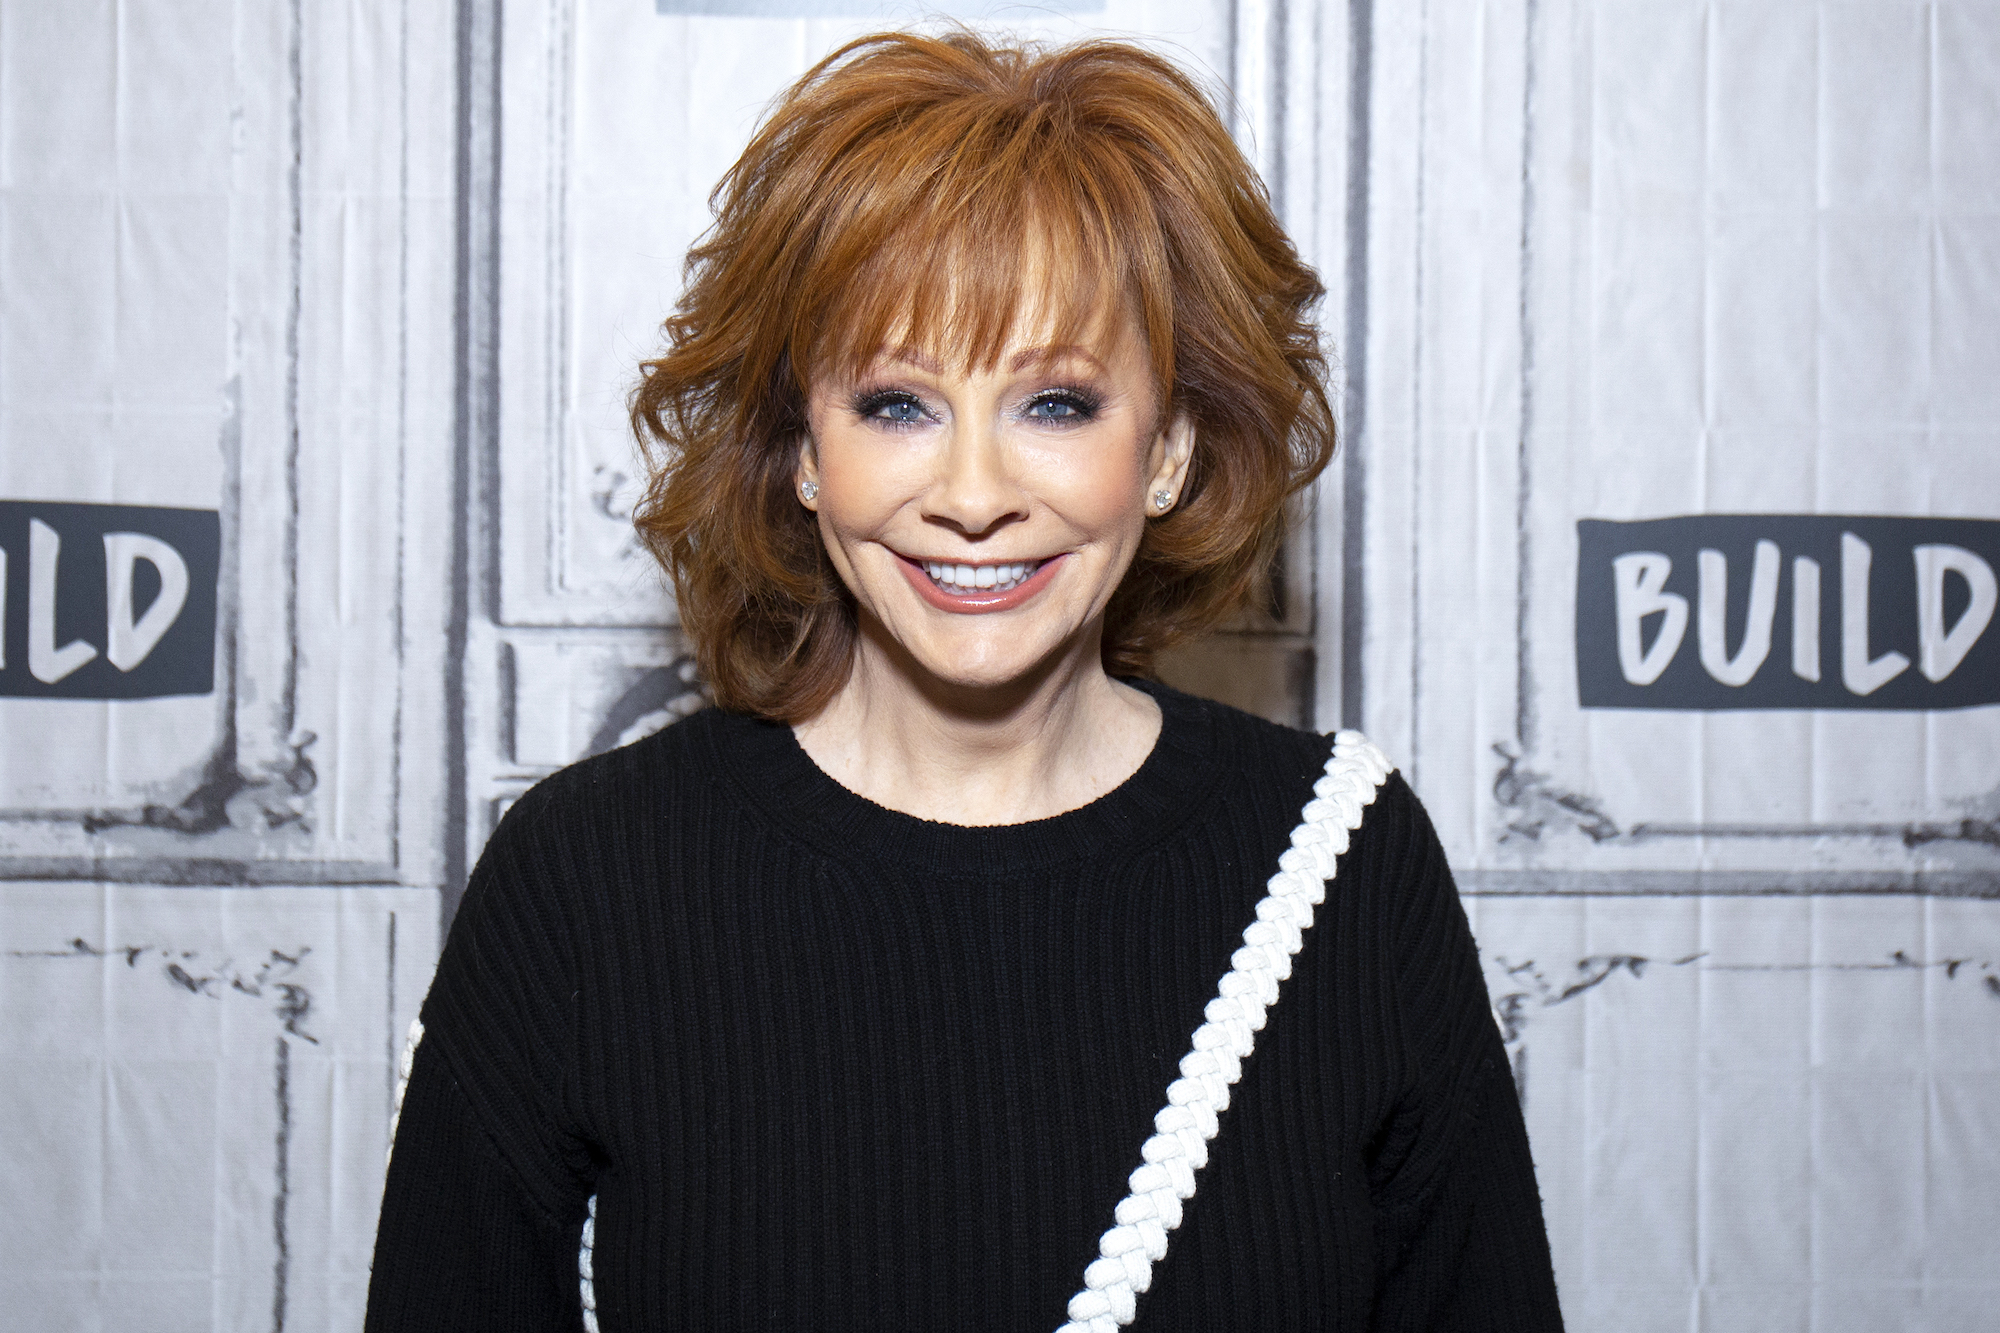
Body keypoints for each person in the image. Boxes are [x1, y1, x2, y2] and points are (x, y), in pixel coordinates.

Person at [366, 28, 1563, 1333]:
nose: (976, 498)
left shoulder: (1347, 867)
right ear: (802, 453)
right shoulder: (581, 879)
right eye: (897, 404)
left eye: (1056, 404)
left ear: (1164, 451)